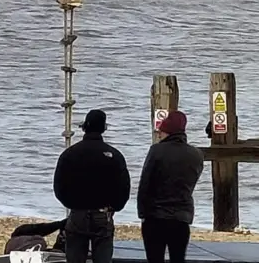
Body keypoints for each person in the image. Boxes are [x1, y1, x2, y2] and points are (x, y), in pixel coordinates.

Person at [53, 109, 131, 263]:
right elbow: (124, 188)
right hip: (103, 214)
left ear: (84, 127)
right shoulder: (114, 155)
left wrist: (71, 204)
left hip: (77, 213)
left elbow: (59, 187)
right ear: (103, 128)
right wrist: (114, 207)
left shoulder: (69, 154)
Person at [137, 111, 204, 263]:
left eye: (161, 131)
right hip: (182, 216)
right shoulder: (196, 154)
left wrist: (142, 213)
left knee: (155, 258)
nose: (159, 134)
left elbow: (145, 184)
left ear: (167, 131)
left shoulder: (156, 151)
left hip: (155, 216)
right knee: (178, 258)